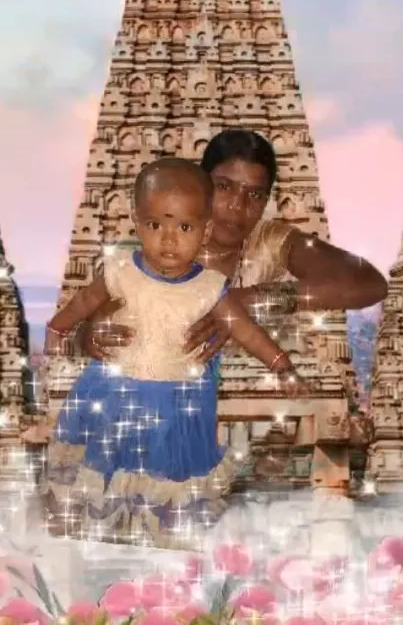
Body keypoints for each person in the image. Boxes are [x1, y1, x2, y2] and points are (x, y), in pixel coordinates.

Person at [40, 158, 299, 549]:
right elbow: (85, 301)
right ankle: (97, 521)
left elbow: (243, 328)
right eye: (155, 225)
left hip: (176, 400)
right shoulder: (121, 270)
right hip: (116, 391)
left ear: (205, 230)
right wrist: (59, 327)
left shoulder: (211, 287)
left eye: (185, 227)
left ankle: (156, 530)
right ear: (136, 220)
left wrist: (281, 364)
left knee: (161, 469)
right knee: (108, 458)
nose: (168, 239)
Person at [78, 129, 387, 367]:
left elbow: (367, 282)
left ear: (266, 201)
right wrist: (89, 335)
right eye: (224, 187)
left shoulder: (271, 241)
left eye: (254, 195)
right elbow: (88, 325)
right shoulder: (153, 243)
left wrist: (247, 300)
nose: (237, 206)